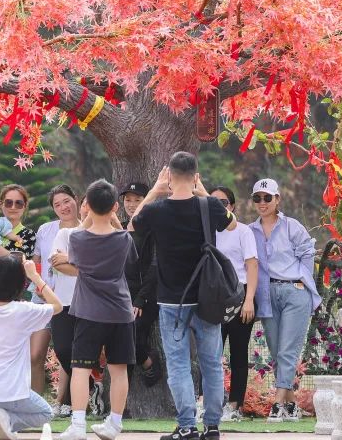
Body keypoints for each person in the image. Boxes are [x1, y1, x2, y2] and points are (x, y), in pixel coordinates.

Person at [129, 152, 237, 440]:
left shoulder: (156, 210)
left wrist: (153, 190)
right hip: (206, 297)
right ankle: (212, 425)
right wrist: (203, 193)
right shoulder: (209, 206)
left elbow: (132, 226)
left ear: (169, 176)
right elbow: (233, 223)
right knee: (211, 362)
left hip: (171, 300)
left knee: (178, 363)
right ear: (195, 175)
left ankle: (187, 426)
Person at [57, 179, 137, 440]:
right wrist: (112, 217)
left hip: (89, 311)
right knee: (118, 369)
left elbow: (84, 232)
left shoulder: (77, 237)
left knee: (79, 368)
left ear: (87, 205)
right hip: (120, 311)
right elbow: (120, 236)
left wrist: (91, 215)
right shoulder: (124, 238)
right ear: (116, 206)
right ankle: (114, 424)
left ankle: (78, 426)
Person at [248, 178, 320, 422]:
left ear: (277, 199)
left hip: (294, 292)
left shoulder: (292, 226)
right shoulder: (250, 231)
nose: (262, 202)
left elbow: (307, 254)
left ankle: (278, 404)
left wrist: (302, 282)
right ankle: (291, 405)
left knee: (288, 350)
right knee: (277, 351)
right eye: (257, 197)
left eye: (267, 197)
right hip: (267, 295)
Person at [0, 255, 64, 440]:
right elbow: (58, 306)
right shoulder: (24, 311)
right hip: (11, 391)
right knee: (45, 413)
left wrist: (2, 272)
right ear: (21, 283)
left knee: (3, 406)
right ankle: (7, 421)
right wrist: (35, 276)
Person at [209, 185, 258, 422]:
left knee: (238, 353)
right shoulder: (206, 230)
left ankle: (234, 405)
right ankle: (207, 402)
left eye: (223, 203)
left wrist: (249, 300)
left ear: (232, 206)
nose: (219, 207)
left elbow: (251, 265)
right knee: (210, 352)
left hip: (240, 293)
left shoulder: (243, 231)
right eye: (213, 202)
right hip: (214, 296)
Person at [31, 184, 81, 413]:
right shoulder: (46, 230)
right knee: (44, 352)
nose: (63, 207)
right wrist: (37, 285)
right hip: (44, 297)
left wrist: (68, 263)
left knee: (74, 350)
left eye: (66, 201)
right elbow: (40, 260)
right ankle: (35, 405)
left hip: (79, 299)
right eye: (57, 204)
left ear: (76, 199)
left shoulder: (86, 228)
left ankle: (68, 401)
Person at [120, 181, 162, 387]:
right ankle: (121, 406)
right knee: (120, 344)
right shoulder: (118, 228)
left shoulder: (153, 229)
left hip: (146, 295)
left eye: (137, 200)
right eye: (128, 200)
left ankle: (148, 362)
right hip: (120, 295)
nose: (132, 204)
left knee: (132, 338)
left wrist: (141, 298)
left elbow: (155, 266)